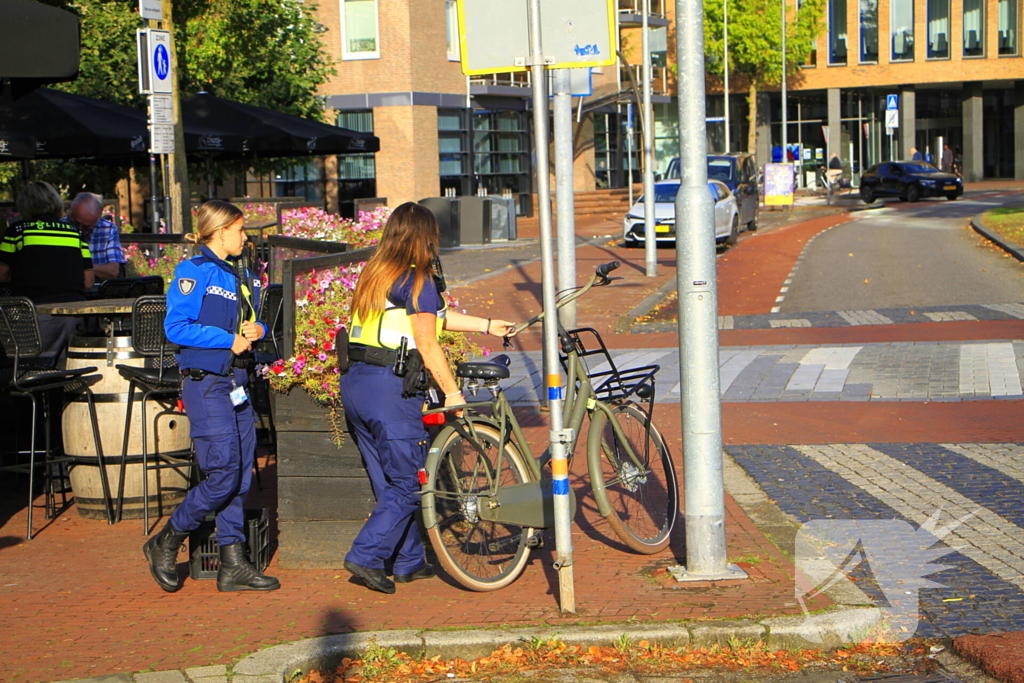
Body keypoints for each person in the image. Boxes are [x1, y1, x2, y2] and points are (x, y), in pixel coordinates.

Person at [340, 202, 517, 594]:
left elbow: (431, 316)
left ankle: (408, 561)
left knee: (388, 480)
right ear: (425, 237)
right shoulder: (418, 278)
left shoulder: (377, 273)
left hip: (356, 384)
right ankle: (365, 556)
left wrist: (487, 325)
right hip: (389, 389)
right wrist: (453, 393)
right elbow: (426, 340)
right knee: (408, 483)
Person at [143, 199, 279, 593]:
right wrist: (226, 339)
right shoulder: (194, 270)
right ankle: (166, 541)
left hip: (237, 383)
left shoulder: (243, 274)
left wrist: (257, 329)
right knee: (222, 475)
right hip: (206, 383)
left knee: (239, 474)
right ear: (219, 232)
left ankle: (232, 563)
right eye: (239, 230)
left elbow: (250, 320)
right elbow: (176, 327)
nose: (245, 237)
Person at [0, 181, 93, 359]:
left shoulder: (18, 231)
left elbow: (1, 274)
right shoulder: (74, 232)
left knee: (33, 369)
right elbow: (88, 282)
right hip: (74, 315)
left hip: (33, 315)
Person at [67, 192, 126, 281]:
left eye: (86, 227)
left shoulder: (107, 229)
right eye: (75, 223)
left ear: (99, 216)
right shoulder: (58, 227)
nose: (80, 229)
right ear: (70, 209)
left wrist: (79, 266)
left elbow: (112, 271)